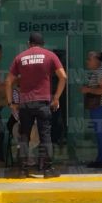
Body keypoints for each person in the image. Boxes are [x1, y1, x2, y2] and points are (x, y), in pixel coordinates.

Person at [5, 31, 67, 178]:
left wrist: (11, 102)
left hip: (25, 103)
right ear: (43, 44)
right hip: (42, 103)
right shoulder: (50, 55)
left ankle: (22, 170)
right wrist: (56, 97)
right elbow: (63, 77)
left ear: (29, 44)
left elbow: (8, 81)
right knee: (45, 136)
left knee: (24, 136)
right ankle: (48, 169)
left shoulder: (20, 57)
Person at [81, 51, 102, 169]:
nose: (87, 61)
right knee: (99, 135)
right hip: (97, 107)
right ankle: (100, 159)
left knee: (101, 134)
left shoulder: (100, 72)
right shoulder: (97, 72)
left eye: (90, 59)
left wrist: (88, 90)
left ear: (97, 60)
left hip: (100, 107)